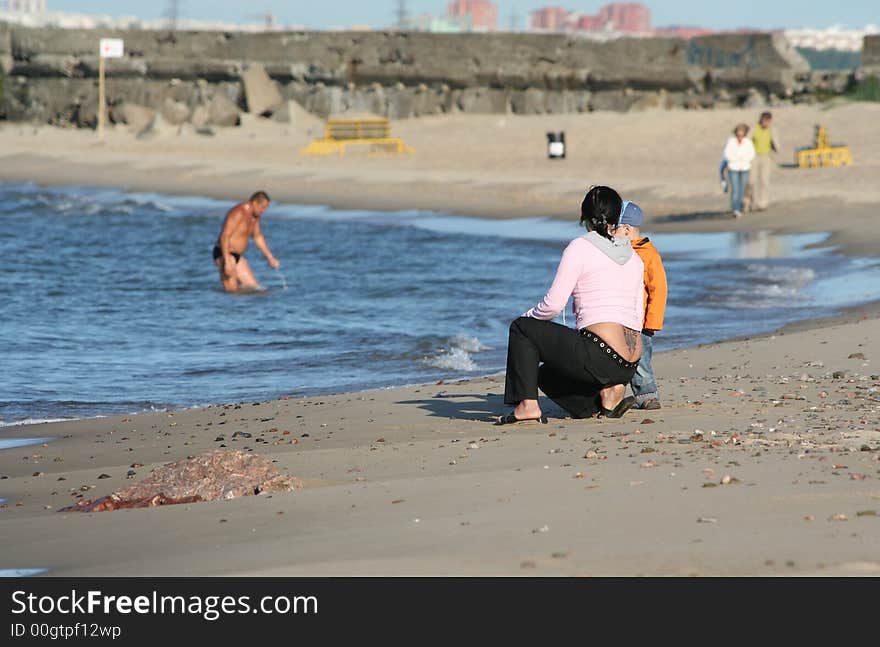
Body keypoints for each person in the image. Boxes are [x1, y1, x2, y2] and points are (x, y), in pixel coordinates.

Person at [494, 185, 644, 424]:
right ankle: (599, 403)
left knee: (522, 328)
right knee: (545, 376)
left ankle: (527, 406)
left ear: (584, 216)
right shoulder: (635, 258)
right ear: (617, 219)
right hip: (629, 363)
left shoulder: (581, 247)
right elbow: (638, 315)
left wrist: (528, 317)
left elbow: (553, 306)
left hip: (601, 354)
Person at [614, 202, 667, 410]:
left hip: (641, 322)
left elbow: (659, 290)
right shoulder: (619, 251)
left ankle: (647, 395)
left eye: (613, 229)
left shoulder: (649, 254)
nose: (609, 233)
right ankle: (612, 396)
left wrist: (652, 322)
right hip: (619, 318)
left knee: (641, 361)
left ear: (626, 229)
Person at [213, 191, 280, 292]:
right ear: (254, 203)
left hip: (237, 256)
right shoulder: (238, 212)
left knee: (256, 289)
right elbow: (224, 236)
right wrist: (227, 261)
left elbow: (258, 237)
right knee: (232, 291)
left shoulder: (254, 217)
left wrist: (270, 257)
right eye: (262, 208)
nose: (263, 211)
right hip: (224, 253)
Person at [720, 123, 755, 218]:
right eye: (739, 131)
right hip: (733, 167)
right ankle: (735, 209)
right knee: (735, 189)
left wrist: (743, 159)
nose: (740, 133)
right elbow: (727, 154)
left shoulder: (748, 142)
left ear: (745, 132)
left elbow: (751, 154)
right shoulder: (731, 141)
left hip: (744, 167)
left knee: (742, 189)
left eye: (742, 131)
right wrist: (735, 159)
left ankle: (740, 207)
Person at [747, 111, 779, 212]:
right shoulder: (754, 128)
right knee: (751, 181)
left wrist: (776, 149)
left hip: (766, 157)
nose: (766, 123)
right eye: (764, 120)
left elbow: (775, 143)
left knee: (764, 181)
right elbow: (747, 140)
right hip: (754, 157)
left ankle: (762, 203)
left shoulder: (771, 130)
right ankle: (749, 202)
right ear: (761, 119)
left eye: (768, 121)